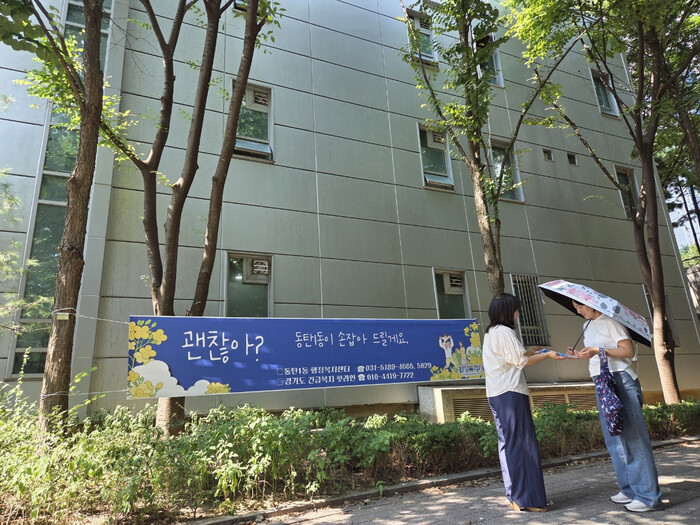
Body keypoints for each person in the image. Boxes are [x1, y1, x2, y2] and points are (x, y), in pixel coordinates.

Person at [569, 299, 663, 513]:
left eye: (580, 306)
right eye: (575, 308)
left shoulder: (611, 322)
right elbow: (597, 356)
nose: (578, 310)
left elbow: (627, 351)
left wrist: (599, 350)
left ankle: (648, 497)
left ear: (591, 303)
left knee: (633, 437)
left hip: (620, 379)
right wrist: (580, 355)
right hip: (602, 381)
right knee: (615, 439)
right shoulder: (586, 325)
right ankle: (629, 489)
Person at [482, 293, 566, 512]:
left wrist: (533, 350)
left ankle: (515, 496)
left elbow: (513, 357)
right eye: (516, 309)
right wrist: (548, 355)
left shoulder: (492, 332)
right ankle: (528, 500)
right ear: (507, 312)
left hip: (498, 393)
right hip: (511, 393)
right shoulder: (505, 332)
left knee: (508, 444)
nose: (518, 313)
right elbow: (521, 361)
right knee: (522, 445)